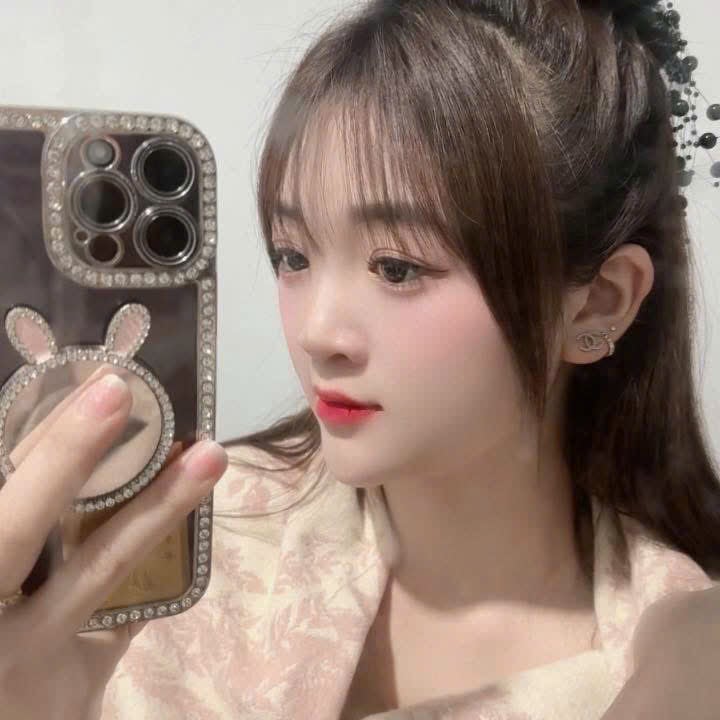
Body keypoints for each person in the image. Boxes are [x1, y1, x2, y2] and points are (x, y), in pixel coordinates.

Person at [2, 0, 720, 718]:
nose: (318, 333)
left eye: (397, 267)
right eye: (293, 255)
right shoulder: (170, 553)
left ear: (599, 303)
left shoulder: (674, 658)